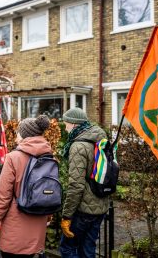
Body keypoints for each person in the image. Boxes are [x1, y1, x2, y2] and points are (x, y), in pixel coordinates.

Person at [0, 115, 52, 258]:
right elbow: (49, 193)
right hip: (38, 226)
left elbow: (2, 199)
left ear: (24, 135)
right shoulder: (49, 157)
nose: (16, 137)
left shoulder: (14, 157)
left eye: (18, 133)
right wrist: (48, 216)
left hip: (15, 231)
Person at [59, 108, 108, 258]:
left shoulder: (78, 146)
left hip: (83, 209)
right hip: (101, 205)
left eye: (66, 123)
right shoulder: (101, 139)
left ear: (74, 124)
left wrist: (66, 216)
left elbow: (76, 185)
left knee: (67, 248)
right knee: (88, 249)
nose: (65, 128)